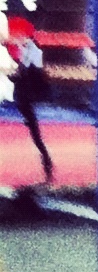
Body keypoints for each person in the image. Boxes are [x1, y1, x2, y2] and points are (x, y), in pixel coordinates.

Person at [7, 18, 53, 186]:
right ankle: (47, 163)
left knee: (36, 134)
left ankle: (47, 164)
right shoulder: (24, 50)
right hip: (24, 95)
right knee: (34, 131)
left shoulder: (34, 52)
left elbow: (32, 73)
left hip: (28, 94)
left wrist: (18, 73)